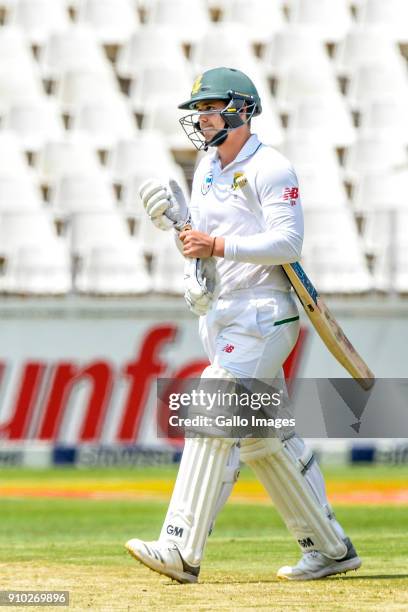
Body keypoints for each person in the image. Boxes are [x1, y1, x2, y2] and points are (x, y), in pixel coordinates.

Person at [125, 67, 361, 582]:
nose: (203, 118)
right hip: (227, 313)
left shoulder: (271, 167)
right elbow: (202, 245)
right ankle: (330, 548)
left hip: (265, 313)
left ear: (241, 110)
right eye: (199, 110)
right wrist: (193, 262)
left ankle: (180, 548)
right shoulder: (206, 168)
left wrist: (216, 248)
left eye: (211, 108)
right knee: (264, 440)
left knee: (214, 401)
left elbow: (288, 244)